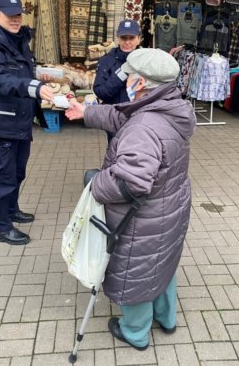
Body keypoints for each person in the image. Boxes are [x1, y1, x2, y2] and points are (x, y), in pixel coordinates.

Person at [66, 48, 196, 350]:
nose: (123, 80)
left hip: (143, 217)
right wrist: (87, 112)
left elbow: (130, 181)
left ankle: (135, 332)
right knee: (161, 263)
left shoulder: (144, 127)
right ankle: (166, 318)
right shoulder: (169, 107)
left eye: (128, 76)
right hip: (169, 208)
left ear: (140, 84)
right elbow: (122, 115)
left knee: (135, 271)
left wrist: (96, 185)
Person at [0, 0, 54, 245]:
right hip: (0, 122)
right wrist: (35, 87)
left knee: (17, 172)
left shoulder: (20, 41)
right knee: (3, 175)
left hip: (20, 120)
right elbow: (2, 80)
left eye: (18, 14)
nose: (15, 19)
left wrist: (41, 76)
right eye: (9, 15)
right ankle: (1, 226)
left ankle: (11, 210)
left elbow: (21, 72)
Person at [93, 19, 141, 143]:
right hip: (115, 118)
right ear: (118, 39)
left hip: (140, 118)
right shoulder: (106, 61)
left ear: (138, 39)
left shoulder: (146, 61)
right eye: (124, 38)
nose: (127, 42)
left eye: (131, 38)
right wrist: (121, 74)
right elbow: (100, 91)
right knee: (115, 154)